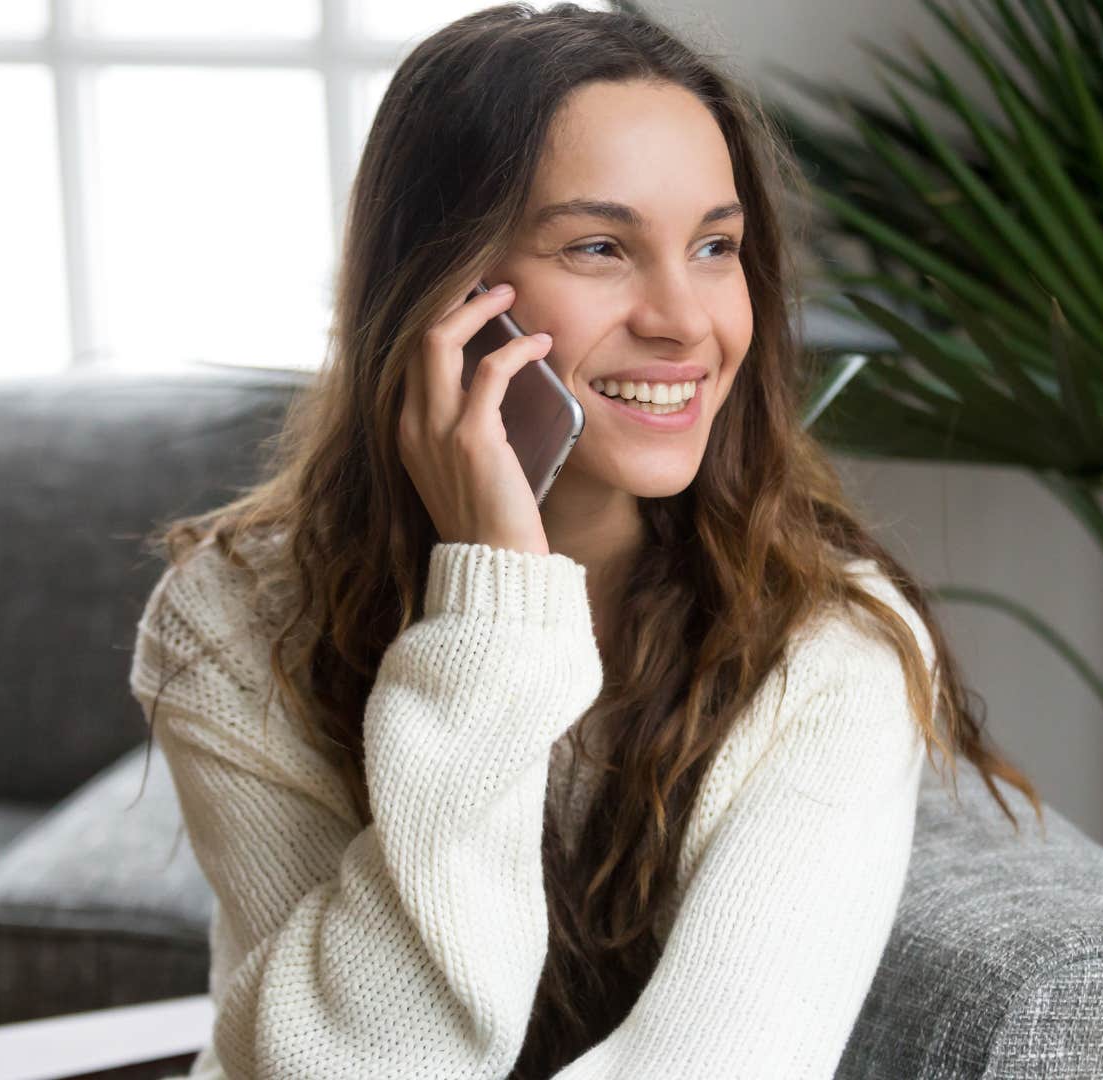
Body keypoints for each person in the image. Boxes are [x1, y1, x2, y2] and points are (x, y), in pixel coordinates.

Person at [127, 4, 1043, 1077]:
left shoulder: (831, 655)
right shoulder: (234, 617)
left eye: (716, 245)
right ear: (445, 291)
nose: (684, 318)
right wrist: (494, 612)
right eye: (602, 246)